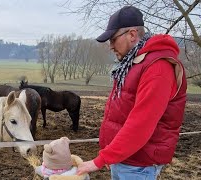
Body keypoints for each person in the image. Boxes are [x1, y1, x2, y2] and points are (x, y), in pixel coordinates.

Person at [77, 5, 187, 180]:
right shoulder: (134, 62)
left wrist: (100, 160)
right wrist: (111, 154)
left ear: (132, 34)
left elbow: (141, 123)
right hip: (124, 158)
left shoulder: (158, 67)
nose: (111, 46)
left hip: (138, 165)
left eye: (113, 39)